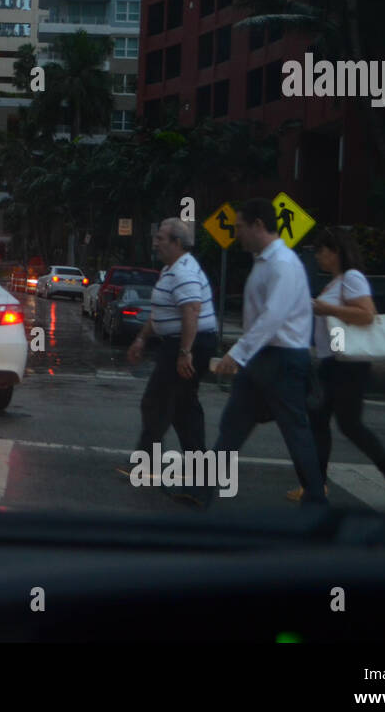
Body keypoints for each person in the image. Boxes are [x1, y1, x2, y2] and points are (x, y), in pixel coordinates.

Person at [192, 198, 328, 507]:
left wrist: (236, 353)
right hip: (265, 358)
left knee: (294, 432)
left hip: (282, 359)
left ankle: (317, 500)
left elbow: (272, 317)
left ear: (258, 225)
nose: (236, 233)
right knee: (232, 427)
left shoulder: (283, 264)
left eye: (240, 227)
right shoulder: (266, 261)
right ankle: (201, 494)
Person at [293, 227, 385, 507]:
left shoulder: (352, 278)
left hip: (350, 365)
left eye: (321, 251)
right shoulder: (335, 282)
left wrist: (327, 309)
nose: (318, 257)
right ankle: (316, 487)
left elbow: (367, 314)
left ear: (335, 252)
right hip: (332, 363)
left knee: (349, 424)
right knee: (318, 420)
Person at [120, 219, 218, 478]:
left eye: (160, 238)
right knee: (183, 407)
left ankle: (148, 464)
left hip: (187, 342)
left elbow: (191, 310)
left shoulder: (183, 271)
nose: (155, 243)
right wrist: (141, 339)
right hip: (181, 342)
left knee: (156, 402)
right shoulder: (170, 269)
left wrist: (185, 352)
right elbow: (160, 313)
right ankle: (199, 472)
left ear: (177, 243)